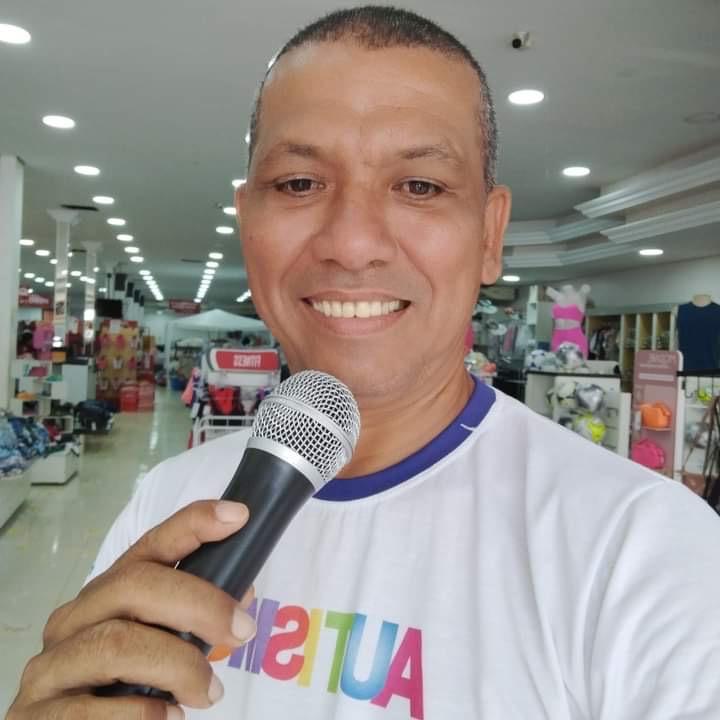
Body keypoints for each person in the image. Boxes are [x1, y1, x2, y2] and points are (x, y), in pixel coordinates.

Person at [9, 6, 720, 720]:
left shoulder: (645, 553)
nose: (352, 245)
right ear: (247, 220)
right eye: (298, 183)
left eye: (420, 186)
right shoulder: (167, 500)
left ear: (489, 234)